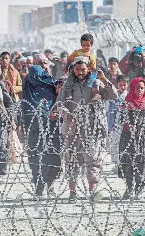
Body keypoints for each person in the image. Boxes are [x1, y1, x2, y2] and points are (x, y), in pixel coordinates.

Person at [58, 56, 117, 202]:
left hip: (92, 128)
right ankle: (72, 192)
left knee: (93, 160)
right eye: (77, 69)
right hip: (73, 128)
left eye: (83, 69)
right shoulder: (68, 85)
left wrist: (104, 79)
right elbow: (59, 103)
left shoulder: (95, 83)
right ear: (73, 69)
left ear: (88, 69)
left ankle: (92, 191)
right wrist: (68, 114)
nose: (80, 72)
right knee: (72, 160)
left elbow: (113, 95)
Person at [22, 54, 62, 198]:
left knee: (51, 154)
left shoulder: (46, 80)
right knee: (37, 154)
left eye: (46, 63)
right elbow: (40, 76)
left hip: (49, 122)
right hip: (36, 122)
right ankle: (39, 186)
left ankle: (48, 184)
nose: (45, 65)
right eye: (42, 63)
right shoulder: (36, 72)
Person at [118, 77, 145, 199]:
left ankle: (139, 189)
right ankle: (129, 188)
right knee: (128, 163)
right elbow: (120, 120)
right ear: (132, 88)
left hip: (143, 138)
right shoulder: (127, 103)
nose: (139, 90)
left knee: (142, 164)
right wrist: (127, 123)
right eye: (137, 87)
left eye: (142, 88)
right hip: (128, 138)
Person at [108, 75, 129, 173]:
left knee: (123, 143)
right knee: (114, 143)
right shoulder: (114, 95)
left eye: (124, 85)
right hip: (114, 123)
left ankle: (123, 163)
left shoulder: (128, 96)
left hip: (124, 124)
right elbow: (109, 110)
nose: (122, 87)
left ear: (127, 85)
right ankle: (115, 163)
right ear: (117, 85)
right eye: (120, 85)